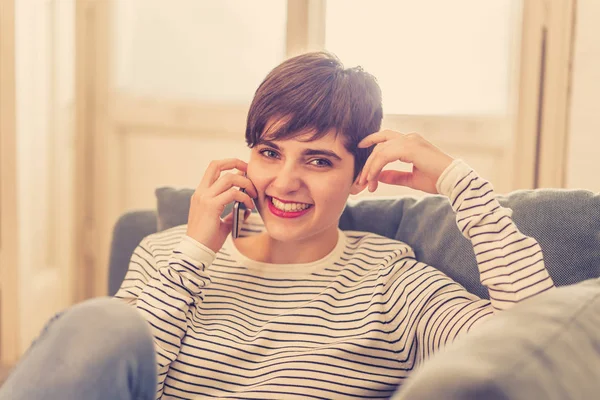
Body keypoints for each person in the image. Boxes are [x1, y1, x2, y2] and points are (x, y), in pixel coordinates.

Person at [0, 52, 554, 400]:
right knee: (98, 323)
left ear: (361, 176)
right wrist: (194, 252)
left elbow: (539, 353)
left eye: (317, 160)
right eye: (270, 152)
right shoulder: (169, 254)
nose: (284, 182)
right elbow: (118, 377)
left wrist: (462, 184)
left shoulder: (393, 285)